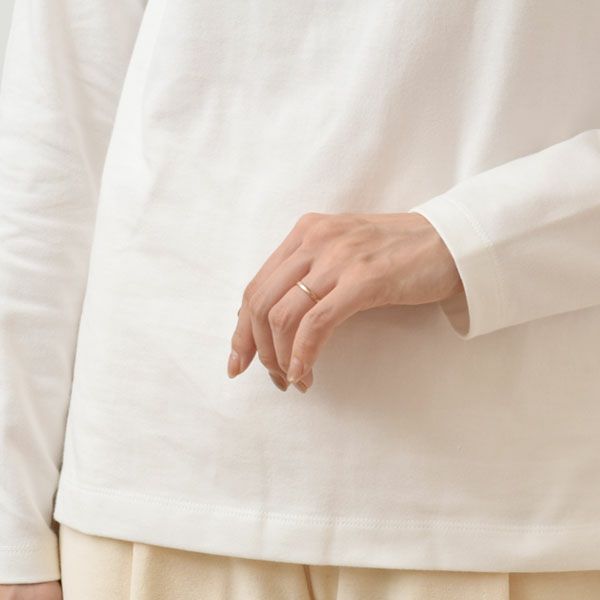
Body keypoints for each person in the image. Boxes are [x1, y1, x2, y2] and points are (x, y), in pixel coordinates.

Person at [1, 0, 600, 598]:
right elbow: (53, 129)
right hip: (157, 488)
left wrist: (466, 237)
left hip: (506, 504)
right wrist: (12, 542)